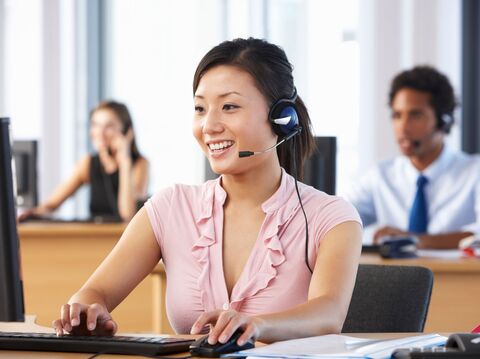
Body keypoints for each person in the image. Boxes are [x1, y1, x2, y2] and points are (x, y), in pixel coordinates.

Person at [52, 38, 362, 345]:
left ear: (282, 118)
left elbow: (329, 313)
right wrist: (86, 311)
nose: (209, 125)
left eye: (229, 106)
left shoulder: (332, 218)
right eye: (200, 108)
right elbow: (96, 293)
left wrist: (256, 325)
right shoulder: (170, 207)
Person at [345, 66, 480, 249]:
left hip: (457, 277)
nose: (403, 127)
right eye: (397, 115)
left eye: (415, 115)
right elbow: (339, 218)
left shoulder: (474, 173)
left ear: (444, 119)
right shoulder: (380, 176)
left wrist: (413, 240)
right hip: (397, 278)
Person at [19, 101, 149, 222]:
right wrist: (30, 213)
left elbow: (128, 215)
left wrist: (125, 162)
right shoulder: (88, 163)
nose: (99, 132)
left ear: (126, 131)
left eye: (109, 126)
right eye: (95, 125)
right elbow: (51, 204)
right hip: (96, 239)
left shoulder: (140, 164)